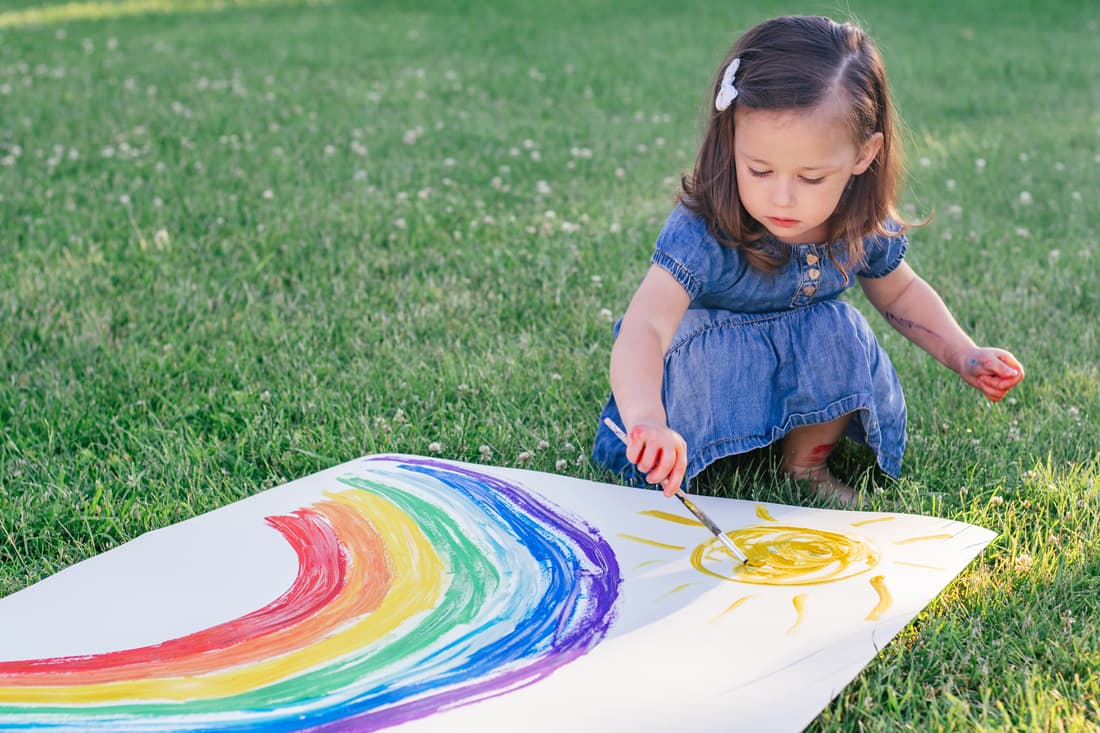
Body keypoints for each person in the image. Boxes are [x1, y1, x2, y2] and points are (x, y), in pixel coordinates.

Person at [592, 15, 1024, 506]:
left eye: (811, 178)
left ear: (864, 155)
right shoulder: (705, 228)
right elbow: (645, 327)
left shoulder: (857, 223)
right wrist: (647, 418)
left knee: (837, 327)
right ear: (730, 141)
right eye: (758, 169)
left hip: (782, 375)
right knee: (699, 356)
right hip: (695, 391)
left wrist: (962, 354)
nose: (782, 197)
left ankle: (804, 463)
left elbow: (900, 292)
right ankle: (696, 458)